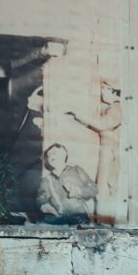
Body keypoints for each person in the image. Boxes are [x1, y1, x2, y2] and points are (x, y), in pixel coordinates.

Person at [69, 79, 123, 224]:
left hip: (112, 153)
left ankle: (105, 222)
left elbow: (102, 124)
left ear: (113, 91)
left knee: (105, 190)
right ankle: (102, 221)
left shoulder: (117, 108)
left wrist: (79, 114)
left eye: (105, 89)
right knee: (103, 190)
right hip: (108, 151)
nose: (102, 93)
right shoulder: (112, 108)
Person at [37, 143, 98, 225]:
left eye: (54, 153)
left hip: (78, 216)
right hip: (57, 217)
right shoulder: (46, 180)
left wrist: (79, 191)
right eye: (49, 155)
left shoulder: (76, 170)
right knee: (42, 223)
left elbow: (94, 189)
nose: (51, 156)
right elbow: (41, 197)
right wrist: (44, 205)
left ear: (63, 154)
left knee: (79, 227)